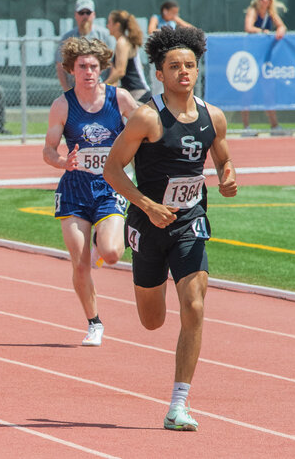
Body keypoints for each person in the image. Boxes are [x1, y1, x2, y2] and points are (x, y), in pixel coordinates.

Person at [103, 26, 238, 431]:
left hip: (190, 221)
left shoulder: (213, 116)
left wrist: (228, 177)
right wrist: (146, 204)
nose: (184, 71)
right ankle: (151, 283)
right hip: (148, 224)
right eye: (175, 66)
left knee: (194, 304)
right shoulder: (147, 116)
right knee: (152, 320)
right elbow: (113, 169)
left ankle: (179, 404)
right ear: (159, 73)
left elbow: (224, 162)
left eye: (190, 65)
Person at [42, 37, 138, 346]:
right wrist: (62, 162)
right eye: (82, 66)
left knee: (110, 253)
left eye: (94, 66)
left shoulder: (119, 98)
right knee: (79, 263)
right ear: (72, 69)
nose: (88, 72)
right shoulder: (62, 105)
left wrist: (134, 159)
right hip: (75, 188)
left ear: (102, 68)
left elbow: (147, 129)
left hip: (110, 186)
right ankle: (94, 322)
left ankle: (101, 243)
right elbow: (48, 149)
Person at [242, 0, 289, 136]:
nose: (264, 0)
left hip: (265, 60)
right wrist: (262, 32)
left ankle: (274, 126)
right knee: (248, 91)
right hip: (252, 58)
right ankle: (246, 127)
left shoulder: (271, 12)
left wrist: (280, 31)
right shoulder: (253, 10)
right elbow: (248, 27)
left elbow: (281, 26)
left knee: (269, 90)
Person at [55, 0, 114, 91]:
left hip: (101, 88)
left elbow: (113, 65)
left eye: (88, 12)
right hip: (75, 90)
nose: (85, 16)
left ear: (94, 15)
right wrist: (67, 90)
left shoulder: (104, 35)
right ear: (75, 15)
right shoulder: (67, 37)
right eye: (81, 13)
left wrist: (108, 88)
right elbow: (60, 66)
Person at [147, 0, 195, 97]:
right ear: (165, 11)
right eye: (173, 13)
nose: (175, 15)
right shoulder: (156, 18)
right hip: (159, 54)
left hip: (172, 55)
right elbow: (151, 30)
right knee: (158, 82)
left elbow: (192, 29)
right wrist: (168, 32)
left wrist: (178, 20)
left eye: (176, 13)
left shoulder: (174, 21)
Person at [105, 10, 151, 103]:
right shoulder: (124, 41)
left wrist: (102, 86)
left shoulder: (122, 42)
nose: (107, 25)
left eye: (109, 22)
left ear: (117, 25)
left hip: (138, 94)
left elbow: (120, 71)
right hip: (136, 94)